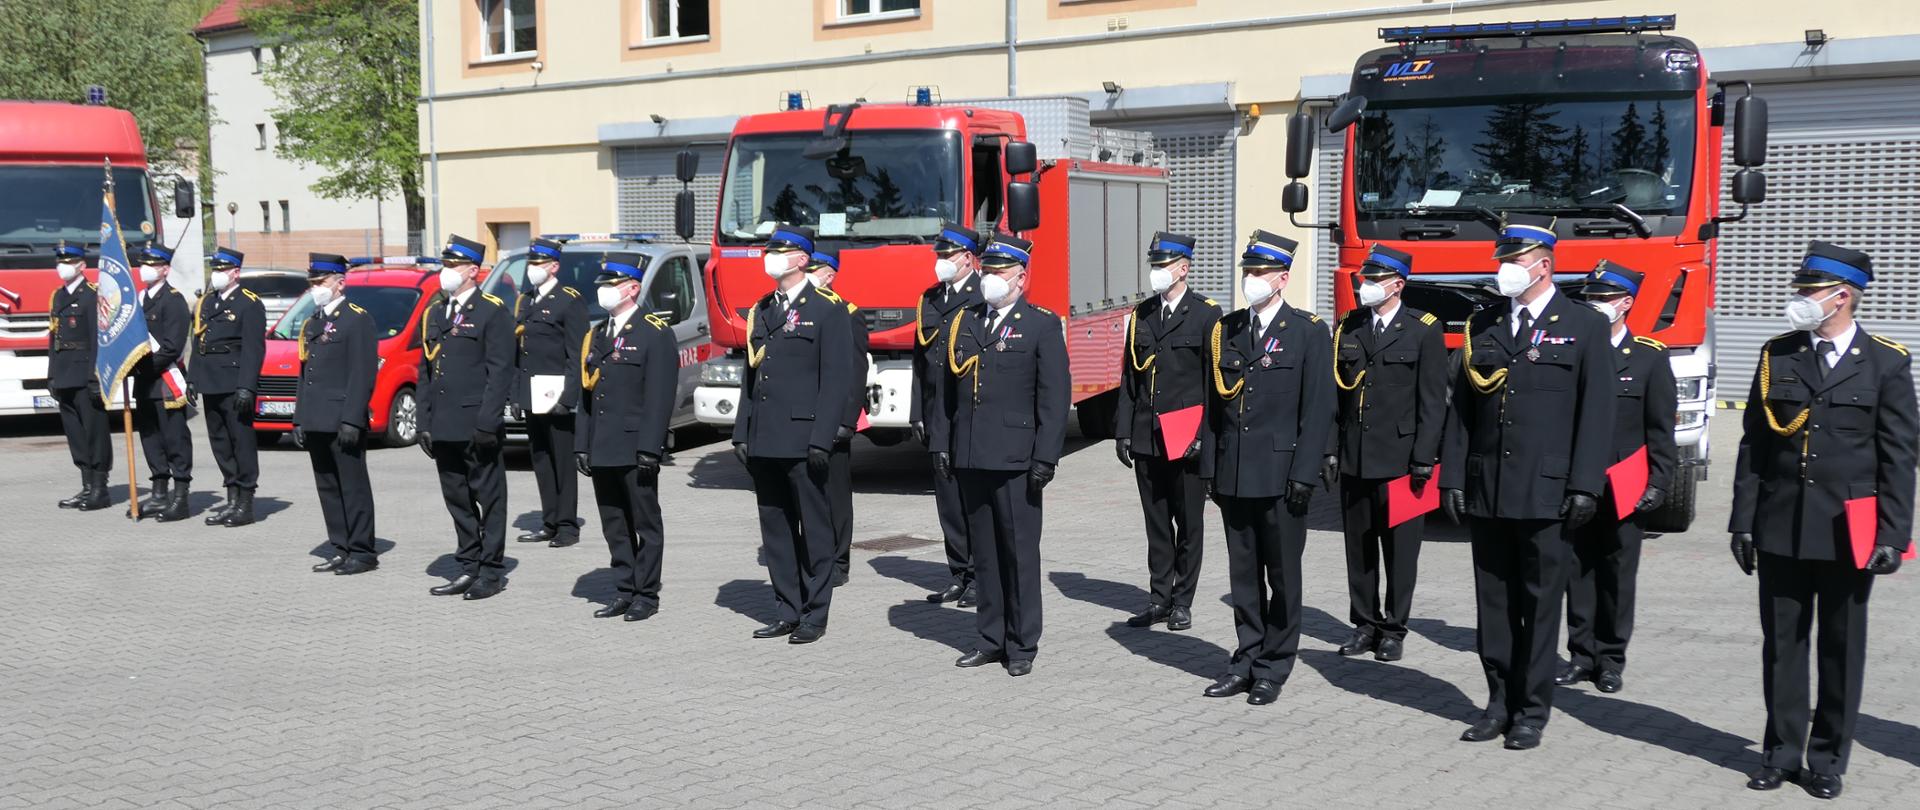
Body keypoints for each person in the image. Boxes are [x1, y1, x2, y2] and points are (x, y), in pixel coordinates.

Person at [1730, 241, 1915, 800]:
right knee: (1783, 646)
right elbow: (1754, 447)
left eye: (1810, 291)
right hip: (1782, 523)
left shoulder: (1886, 361)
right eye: (1802, 290)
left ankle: (1828, 758)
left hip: (1846, 530)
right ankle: (1781, 754)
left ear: (1842, 297)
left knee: (1840, 647)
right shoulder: (1778, 354)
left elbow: (1899, 456)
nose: (1800, 300)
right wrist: (1742, 521)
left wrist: (1893, 534)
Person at [1441, 214, 1613, 750]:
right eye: (1502, 261)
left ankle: (1532, 711)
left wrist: (1585, 485)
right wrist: (1454, 475)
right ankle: (1497, 702)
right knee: (1493, 604)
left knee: (1540, 605)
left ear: (1543, 266)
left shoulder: (1583, 326)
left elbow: (1598, 413)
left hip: (1547, 491)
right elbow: (1463, 411)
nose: (1504, 270)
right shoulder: (1485, 324)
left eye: (1512, 261)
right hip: (1489, 487)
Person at [1198, 230, 1333, 705]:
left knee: (1282, 575)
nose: (1250, 280)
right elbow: (1214, 409)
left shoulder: (1309, 331)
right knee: (1243, 576)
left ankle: (1275, 666)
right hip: (1234, 473)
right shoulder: (1227, 330)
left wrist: (1304, 473)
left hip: (1281, 476)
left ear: (1282, 278)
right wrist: (1210, 468)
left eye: (1258, 273)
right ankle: (1245, 659)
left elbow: (1317, 410)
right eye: (1247, 272)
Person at [934, 234, 1069, 677]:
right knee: (985, 556)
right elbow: (946, 395)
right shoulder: (965, 321)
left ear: (1021, 278)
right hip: (972, 455)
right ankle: (989, 638)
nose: (989, 280)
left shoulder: (1040, 325)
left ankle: (1022, 643)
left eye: (998, 273)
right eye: (986, 271)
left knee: (1018, 555)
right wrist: (942, 443)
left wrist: (1045, 458)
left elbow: (1053, 398)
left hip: (1017, 460)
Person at [733, 225, 856, 644]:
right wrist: (741, 433)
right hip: (766, 438)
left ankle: (815, 613)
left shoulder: (827, 309)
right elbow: (752, 378)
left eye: (779, 251)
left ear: (802, 259)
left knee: (815, 531)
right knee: (776, 531)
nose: (771, 257)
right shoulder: (763, 308)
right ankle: (787, 608)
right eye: (769, 250)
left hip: (805, 441)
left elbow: (835, 380)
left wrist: (822, 439)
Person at [1558, 261, 1675, 693]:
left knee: (1617, 573)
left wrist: (1659, 482)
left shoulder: (1648, 356)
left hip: (1625, 482)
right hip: (1577, 481)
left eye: (1604, 298)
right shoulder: (1571, 349)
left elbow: (1660, 428)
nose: (1594, 305)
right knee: (1577, 569)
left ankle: (1610, 659)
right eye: (1589, 297)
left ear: (1626, 303)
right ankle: (1580, 654)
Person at [1326, 245, 1446, 662]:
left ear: (1398, 284)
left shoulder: (1423, 329)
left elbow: (1433, 402)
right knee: (1359, 549)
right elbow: (1335, 399)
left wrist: (1424, 459)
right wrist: (1331, 450)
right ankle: (1365, 624)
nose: (1366, 286)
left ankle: (1394, 628)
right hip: (1356, 456)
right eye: (1366, 279)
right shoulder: (1349, 327)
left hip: (1401, 460)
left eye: (1375, 280)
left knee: (1400, 552)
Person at [1113, 231, 1221, 632]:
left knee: (1189, 524)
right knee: (1156, 524)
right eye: (1154, 265)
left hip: (1186, 436)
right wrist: (1123, 431)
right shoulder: (1142, 314)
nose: (1156, 272)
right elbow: (1130, 379)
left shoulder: (1207, 314)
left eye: (1163, 265)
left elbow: (1214, 387)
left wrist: (1203, 439)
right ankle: (1158, 598)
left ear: (1183, 268)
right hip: (1148, 435)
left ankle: (1182, 601)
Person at [575, 252, 677, 622]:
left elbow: (660, 396)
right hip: (603, 445)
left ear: (633, 288)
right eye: (603, 284)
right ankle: (624, 588)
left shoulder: (653, 331)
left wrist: (651, 447)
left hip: (636, 446)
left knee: (644, 522)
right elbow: (587, 396)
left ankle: (646, 594)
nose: (605, 290)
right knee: (614, 523)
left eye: (613, 283)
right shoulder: (597, 334)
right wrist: (582, 444)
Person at [418, 235, 515, 601]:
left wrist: (487, 422)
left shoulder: (492, 310)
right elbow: (425, 370)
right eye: (443, 265)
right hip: (444, 424)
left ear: (473, 271)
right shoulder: (436, 311)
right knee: (457, 497)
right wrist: (424, 422)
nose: (445, 273)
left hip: (477, 423)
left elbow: (501, 372)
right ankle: (468, 565)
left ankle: (491, 571)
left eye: (452, 266)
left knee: (489, 497)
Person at [912, 222, 985, 607]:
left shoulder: (981, 297)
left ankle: (979, 576)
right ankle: (958, 572)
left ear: (968, 259)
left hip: (969, 412)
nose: (940, 262)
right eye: (938, 255)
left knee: (972, 496)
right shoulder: (929, 299)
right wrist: (916, 413)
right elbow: (920, 362)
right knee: (948, 500)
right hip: (937, 412)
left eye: (946, 256)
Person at [299, 253, 380, 576]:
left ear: (340, 283)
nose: (315, 288)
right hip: (316, 417)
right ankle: (340, 546)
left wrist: (352, 418)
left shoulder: (357, 319)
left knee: (352, 486)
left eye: (321, 283)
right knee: (328, 486)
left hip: (342, 418)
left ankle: (362, 551)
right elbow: (305, 375)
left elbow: (362, 374)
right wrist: (298, 418)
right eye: (313, 283)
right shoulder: (314, 322)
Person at [512, 237, 590, 548]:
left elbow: (577, 354)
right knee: (541, 458)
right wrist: (516, 395)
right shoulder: (526, 300)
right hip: (533, 394)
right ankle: (549, 521)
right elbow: (521, 352)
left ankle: (568, 526)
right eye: (530, 264)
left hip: (557, 396)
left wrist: (567, 398)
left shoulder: (569, 300)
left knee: (561, 460)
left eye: (538, 264)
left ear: (554, 267)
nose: (532, 269)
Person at [189, 246, 268, 527]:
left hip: (235, 384)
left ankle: (246, 502)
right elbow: (199, 344)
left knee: (241, 442)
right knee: (220, 443)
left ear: (236, 273)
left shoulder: (249, 303)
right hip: (211, 382)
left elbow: (253, 350)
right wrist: (192, 379)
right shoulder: (208, 303)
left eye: (222, 270)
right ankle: (231, 497)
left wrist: (247, 386)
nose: (217, 274)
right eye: (215, 269)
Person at [808, 248, 869, 588]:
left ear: (830, 275)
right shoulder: (801, 312)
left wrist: (847, 419)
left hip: (833, 420)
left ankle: (838, 560)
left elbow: (856, 371)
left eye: (815, 270)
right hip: (802, 417)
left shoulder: (848, 314)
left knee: (835, 493)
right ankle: (815, 553)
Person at [128, 243, 194, 522]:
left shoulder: (174, 300)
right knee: (151, 438)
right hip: (145, 384)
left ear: (165, 269)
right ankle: (158, 493)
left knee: (174, 438)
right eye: (143, 264)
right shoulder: (139, 299)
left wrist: (143, 368)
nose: (146, 269)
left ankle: (180, 498)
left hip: (166, 381)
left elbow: (171, 347)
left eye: (152, 265)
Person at [49, 240, 112, 511]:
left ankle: (100, 488)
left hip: (86, 373)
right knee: (75, 433)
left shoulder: (91, 296)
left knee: (94, 431)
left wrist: (95, 377)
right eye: (60, 262)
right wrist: (51, 375)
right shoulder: (59, 296)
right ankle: (86, 486)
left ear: (82, 265)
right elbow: (54, 338)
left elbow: (98, 340)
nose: (62, 267)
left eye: (68, 262)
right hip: (64, 373)